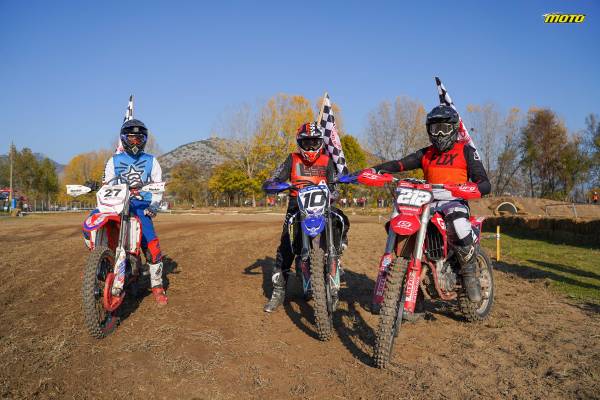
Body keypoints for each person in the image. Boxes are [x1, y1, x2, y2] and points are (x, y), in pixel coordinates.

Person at [365, 105, 491, 317]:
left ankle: (469, 273)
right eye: (434, 128)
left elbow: (484, 182)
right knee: (402, 224)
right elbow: (400, 164)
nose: (439, 133)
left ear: (454, 129)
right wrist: (375, 169)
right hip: (427, 201)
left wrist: (472, 188)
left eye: (444, 128)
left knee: (459, 226)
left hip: (454, 201)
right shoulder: (426, 153)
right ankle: (413, 292)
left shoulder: (466, 151)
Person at [263, 122, 350, 313]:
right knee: (286, 246)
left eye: (314, 142)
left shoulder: (327, 160)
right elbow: (276, 176)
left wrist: (334, 192)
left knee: (340, 219)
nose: (310, 147)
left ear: (321, 142)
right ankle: (278, 291)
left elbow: (334, 184)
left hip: (322, 204)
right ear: (299, 143)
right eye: (306, 142)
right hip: (297, 205)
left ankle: (338, 250)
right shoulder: (292, 159)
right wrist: (273, 183)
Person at [84, 119, 168, 305]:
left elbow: (158, 187)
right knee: (90, 222)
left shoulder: (151, 161)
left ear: (144, 140)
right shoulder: (114, 160)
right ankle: (103, 259)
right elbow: (107, 184)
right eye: (131, 138)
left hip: (140, 205)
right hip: (116, 203)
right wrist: (98, 187)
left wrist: (153, 206)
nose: (135, 142)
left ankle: (157, 285)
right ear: (124, 138)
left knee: (151, 244)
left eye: (139, 138)